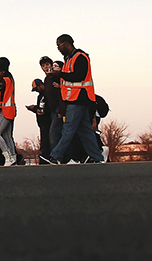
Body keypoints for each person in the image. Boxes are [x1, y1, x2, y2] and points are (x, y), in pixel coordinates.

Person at [42, 35, 105, 165]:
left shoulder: (80, 57)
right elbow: (66, 79)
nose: (58, 48)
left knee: (68, 128)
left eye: (59, 45)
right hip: (72, 98)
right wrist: (55, 77)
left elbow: (79, 76)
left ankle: (56, 156)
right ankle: (98, 157)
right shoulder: (68, 59)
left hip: (80, 98)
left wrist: (59, 75)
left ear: (67, 44)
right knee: (84, 130)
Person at [0, 57, 18, 167]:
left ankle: (8, 157)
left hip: (5, 111)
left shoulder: (4, 80)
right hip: (10, 110)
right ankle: (13, 157)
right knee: (7, 135)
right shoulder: (10, 78)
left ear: (3, 71)